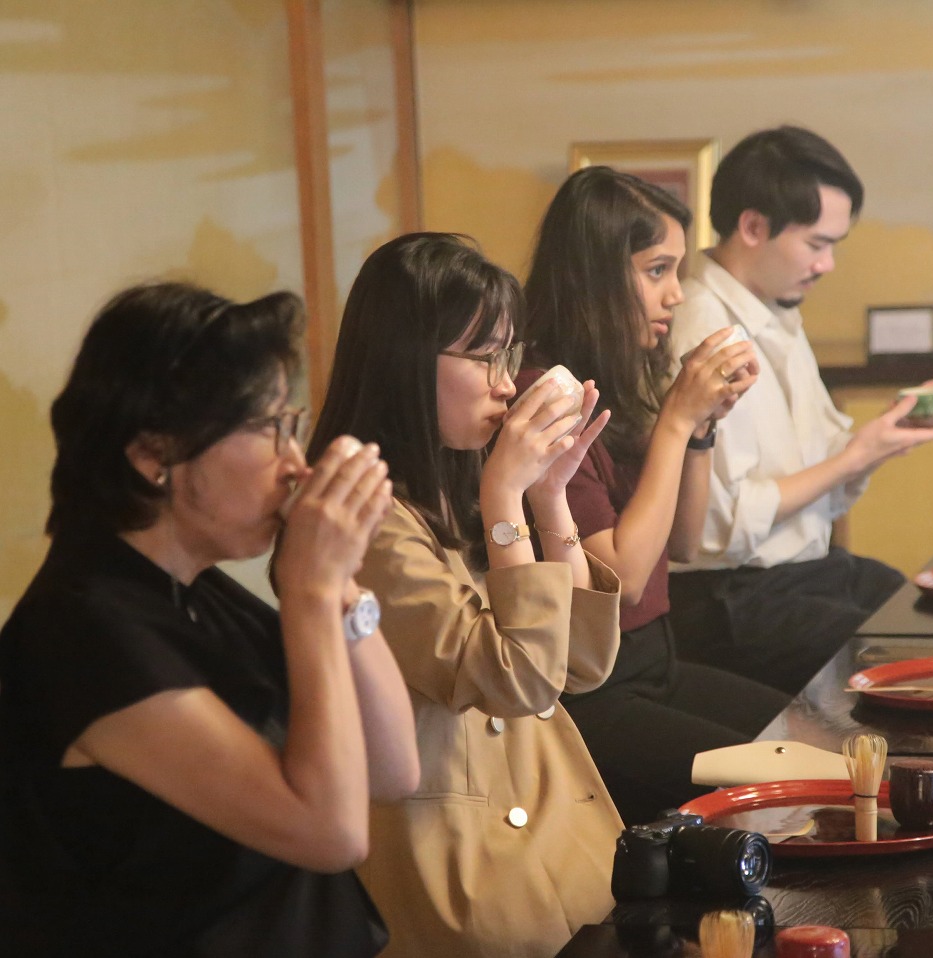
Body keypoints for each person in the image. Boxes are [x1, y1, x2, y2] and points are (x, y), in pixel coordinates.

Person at [0, 282, 419, 957]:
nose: (295, 463)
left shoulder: (198, 593)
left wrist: (338, 585)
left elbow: (395, 770)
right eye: (267, 427)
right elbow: (331, 834)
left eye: (293, 423)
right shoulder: (84, 628)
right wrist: (309, 591)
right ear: (152, 454)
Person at [307, 232, 624, 958]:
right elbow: (516, 680)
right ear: (407, 360)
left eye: (508, 356)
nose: (505, 384)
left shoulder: (449, 485)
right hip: (460, 857)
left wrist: (549, 499)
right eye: (484, 356)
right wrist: (506, 495)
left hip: (541, 817)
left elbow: (579, 664)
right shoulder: (365, 518)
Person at [521, 166, 792, 827]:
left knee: (814, 735)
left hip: (656, 664)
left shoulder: (612, 378)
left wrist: (700, 428)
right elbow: (627, 580)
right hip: (592, 696)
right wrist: (676, 418)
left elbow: (684, 542)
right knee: (788, 781)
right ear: (594, 278)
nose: (675, 294)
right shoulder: (546, 393)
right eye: (656, 271)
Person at [665, 125, 933, 695]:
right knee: (916, 670)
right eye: (816, 244)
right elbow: (714, 531)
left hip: (803, 572)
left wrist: (887, 435)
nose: (827, 264)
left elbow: (819, 475)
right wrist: (855, 455)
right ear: (753, 227)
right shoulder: (705, 329)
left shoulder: (773, 309)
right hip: (729, 596)